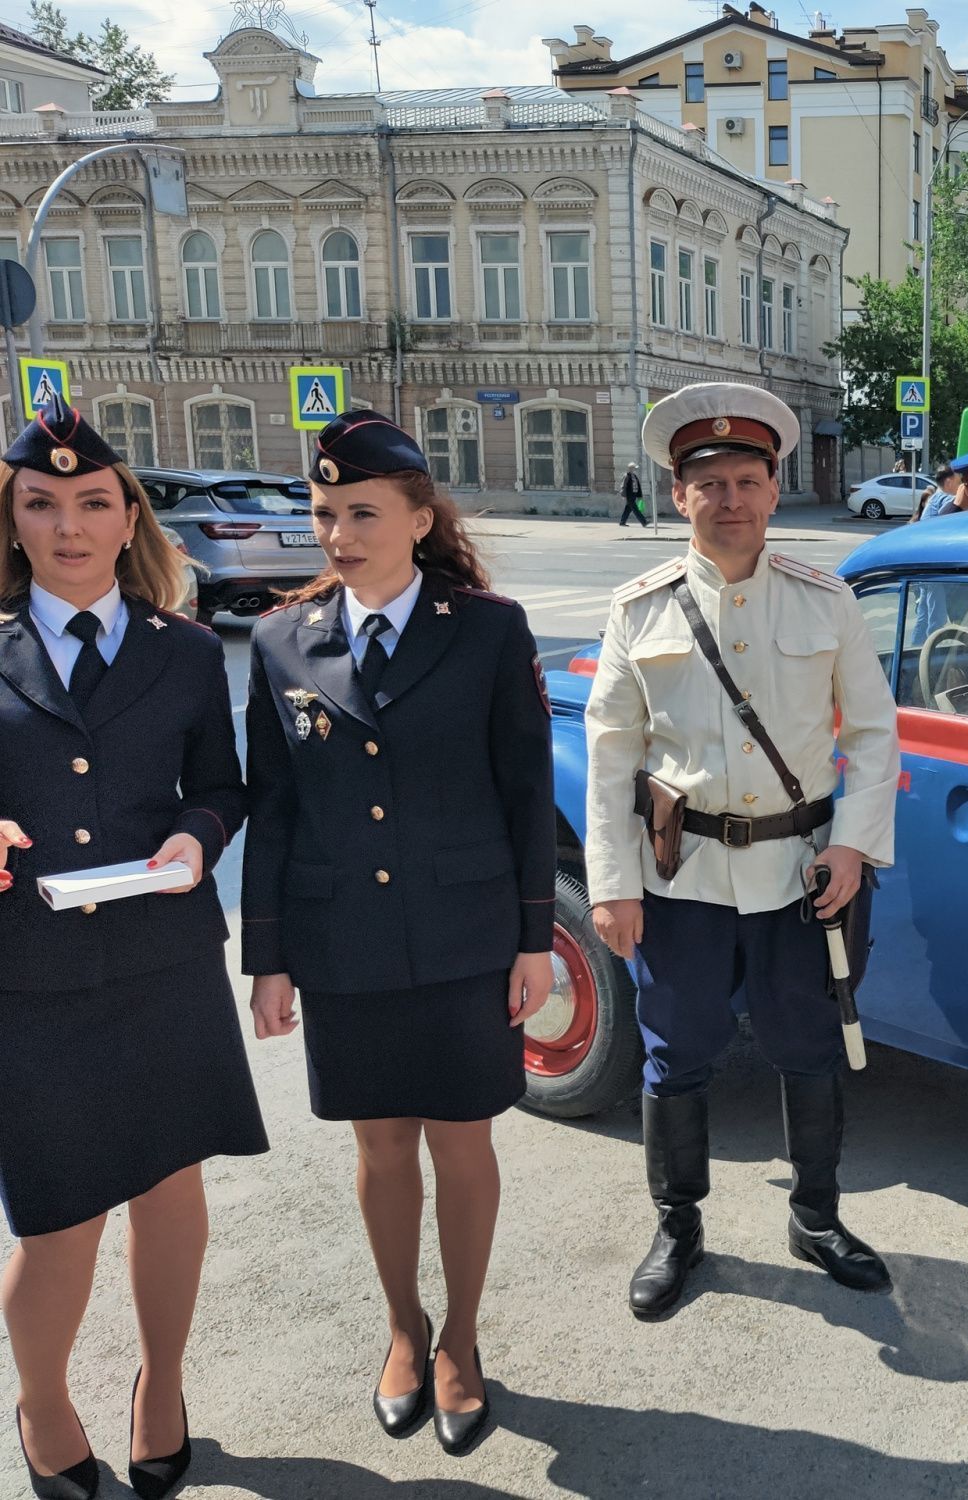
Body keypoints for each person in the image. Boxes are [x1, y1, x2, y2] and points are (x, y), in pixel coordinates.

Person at [241, 410, 555, 1458]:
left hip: (466, 936)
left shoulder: (489, 630)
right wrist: (269, 957)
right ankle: (402, 1328)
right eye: (325, 512)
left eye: (362, 513)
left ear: (419, 519)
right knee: (379, 1149)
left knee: (463, 1146)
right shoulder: (284, 639)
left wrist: (530, 938)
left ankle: (461, 1338)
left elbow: (525, 793)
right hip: (344, 944)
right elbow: (274, 807)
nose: (338, 533)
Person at [584, 383, 900, 1322]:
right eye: (709, 482)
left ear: (774, 489)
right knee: (674, 1053)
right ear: (677, 495)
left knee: (809, 1047)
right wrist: (612, 887)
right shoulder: (637, 610)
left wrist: (853, 848)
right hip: (679, 876)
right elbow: (611, 759)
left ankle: (816, 1215)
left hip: (801, 875)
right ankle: (677, 1228)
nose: (730, 499)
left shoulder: (825, 598)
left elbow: (876, 736)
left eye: (747, 481)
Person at [0, 397, 268, 1500]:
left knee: (168, 1189)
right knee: (59, 1212)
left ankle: (160, 1383)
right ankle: (43, 1400)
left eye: (92, 502)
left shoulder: (188, 652)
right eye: (41, 503)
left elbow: (220, 786)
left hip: (164, 954)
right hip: (30, 972)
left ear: (127, 518)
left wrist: (196, 840)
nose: (68, 525)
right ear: (12, 519)